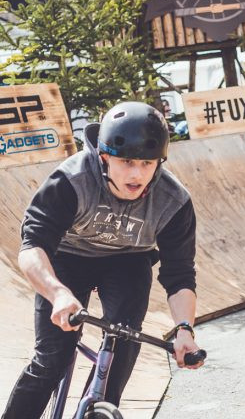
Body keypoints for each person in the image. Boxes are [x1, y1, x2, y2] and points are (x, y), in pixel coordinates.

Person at [2, 101, 204, 419]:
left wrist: (184, 330)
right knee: (51, 359)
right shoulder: (71, 180)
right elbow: (31, 247)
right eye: (126, 162)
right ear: (104, 155)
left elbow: (179, 274)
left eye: (147, 163)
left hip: (127, 262)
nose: (137, 174)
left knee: (122, 344)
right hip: (66, 259)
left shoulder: (173, 201)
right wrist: (57, 295)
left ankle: (99, 408)